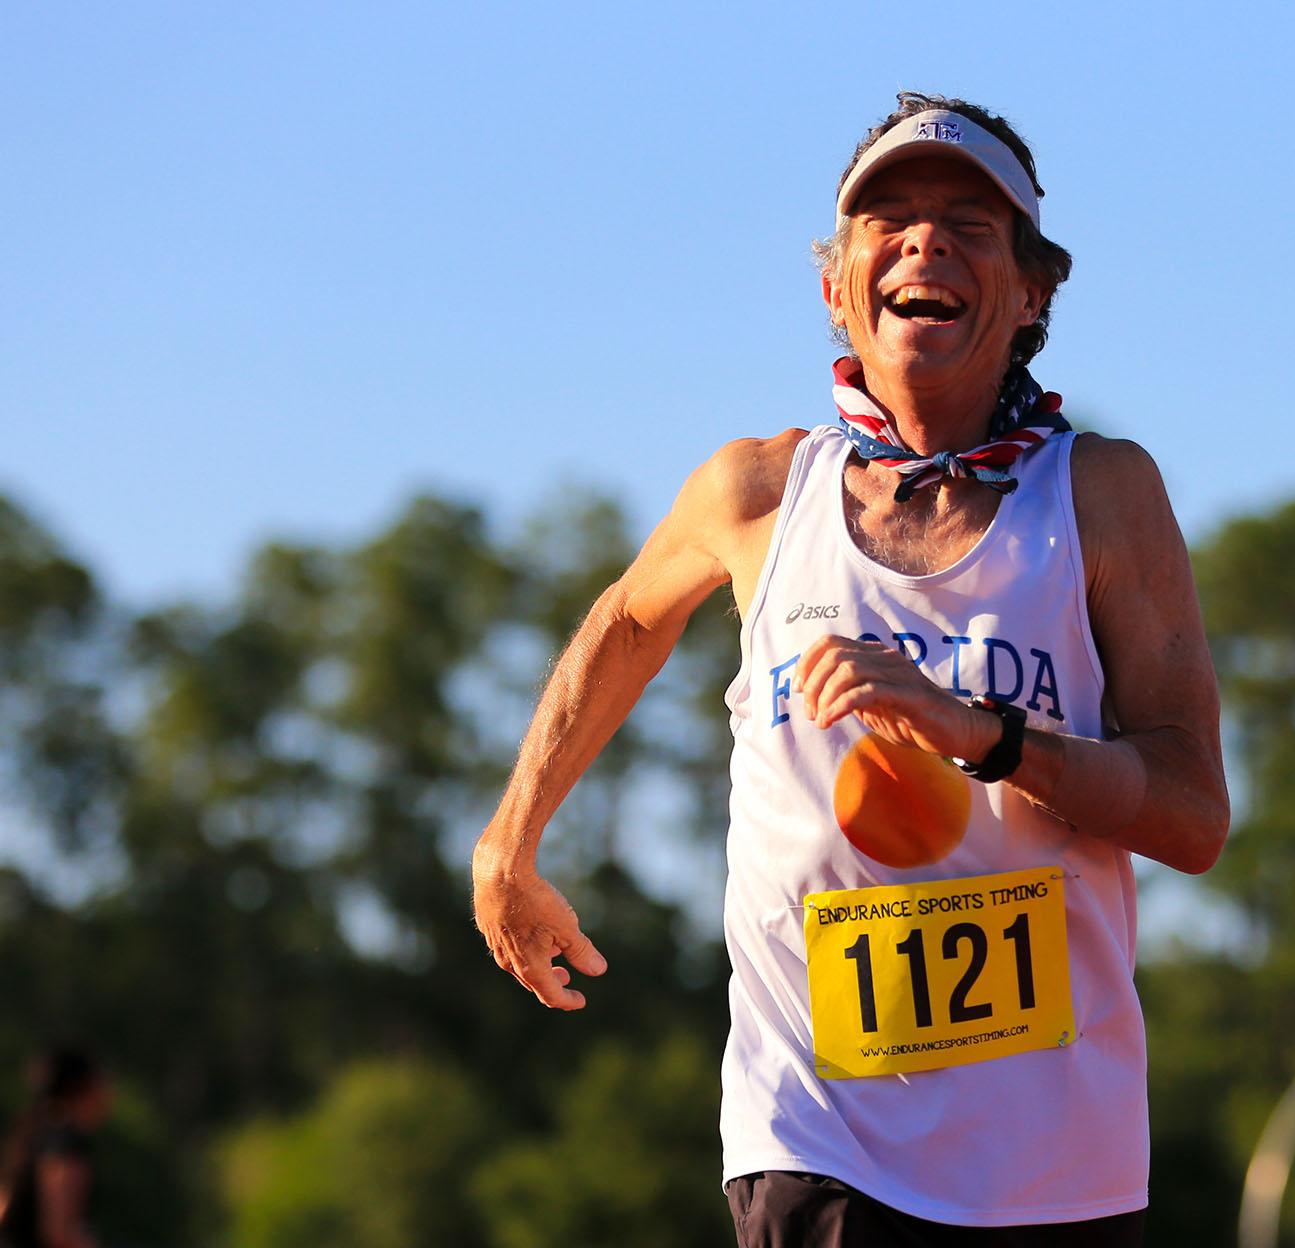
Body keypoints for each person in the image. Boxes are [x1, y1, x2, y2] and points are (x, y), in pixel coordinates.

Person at [472, 91, 1228, 1246]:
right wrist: (510, 840)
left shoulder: (1101, 497)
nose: (925, 241)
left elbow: (1189, 817)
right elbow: (627, 621)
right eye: (891, 221)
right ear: (835, 287)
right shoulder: (757, 494)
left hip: (1052, 1166)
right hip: (812, 1135)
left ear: (1031, 293)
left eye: (971, 226)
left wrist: (984, 735)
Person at [0, 1045, 109, 1248]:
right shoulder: (65, 1141)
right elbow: (58, 1232)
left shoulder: (31, 1132)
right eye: (103, 1085)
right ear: (83, 1088)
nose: (108, 1096)